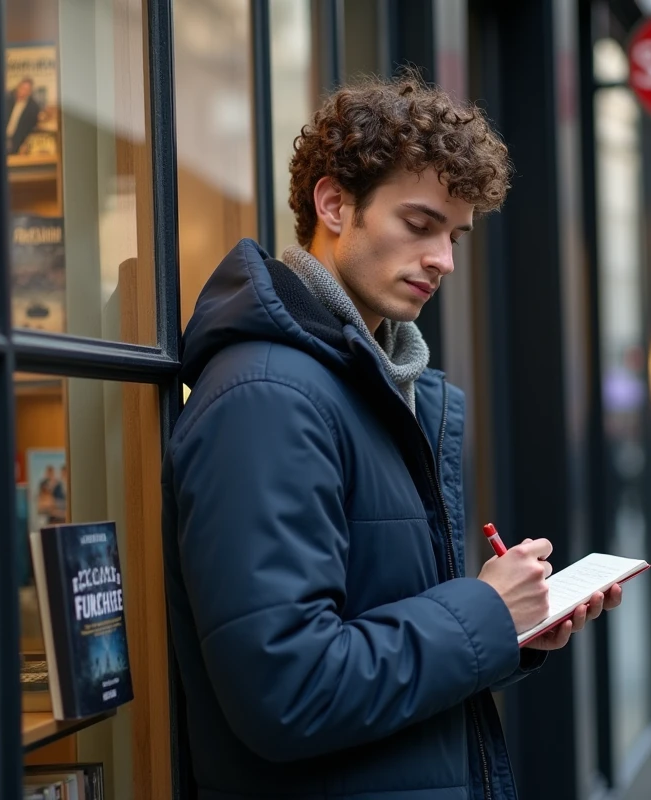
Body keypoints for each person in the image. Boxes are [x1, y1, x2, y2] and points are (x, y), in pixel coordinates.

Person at [162, 73, 623, 799]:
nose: (442, 258)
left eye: (454, 235)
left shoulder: (374, 385)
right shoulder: (269, 396)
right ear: (334, 204)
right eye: (419, 224)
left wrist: (513, 627)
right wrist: (484, 611)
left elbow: (382, 625)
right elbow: (287, 690)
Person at [5, 77, 41, 155]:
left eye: (26, 90)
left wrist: (24, 144)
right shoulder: (7, 100)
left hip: (17, 142)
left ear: (30, 92)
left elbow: (30, 128)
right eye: (22, 88)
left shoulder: (33, 108)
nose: (23, 91)